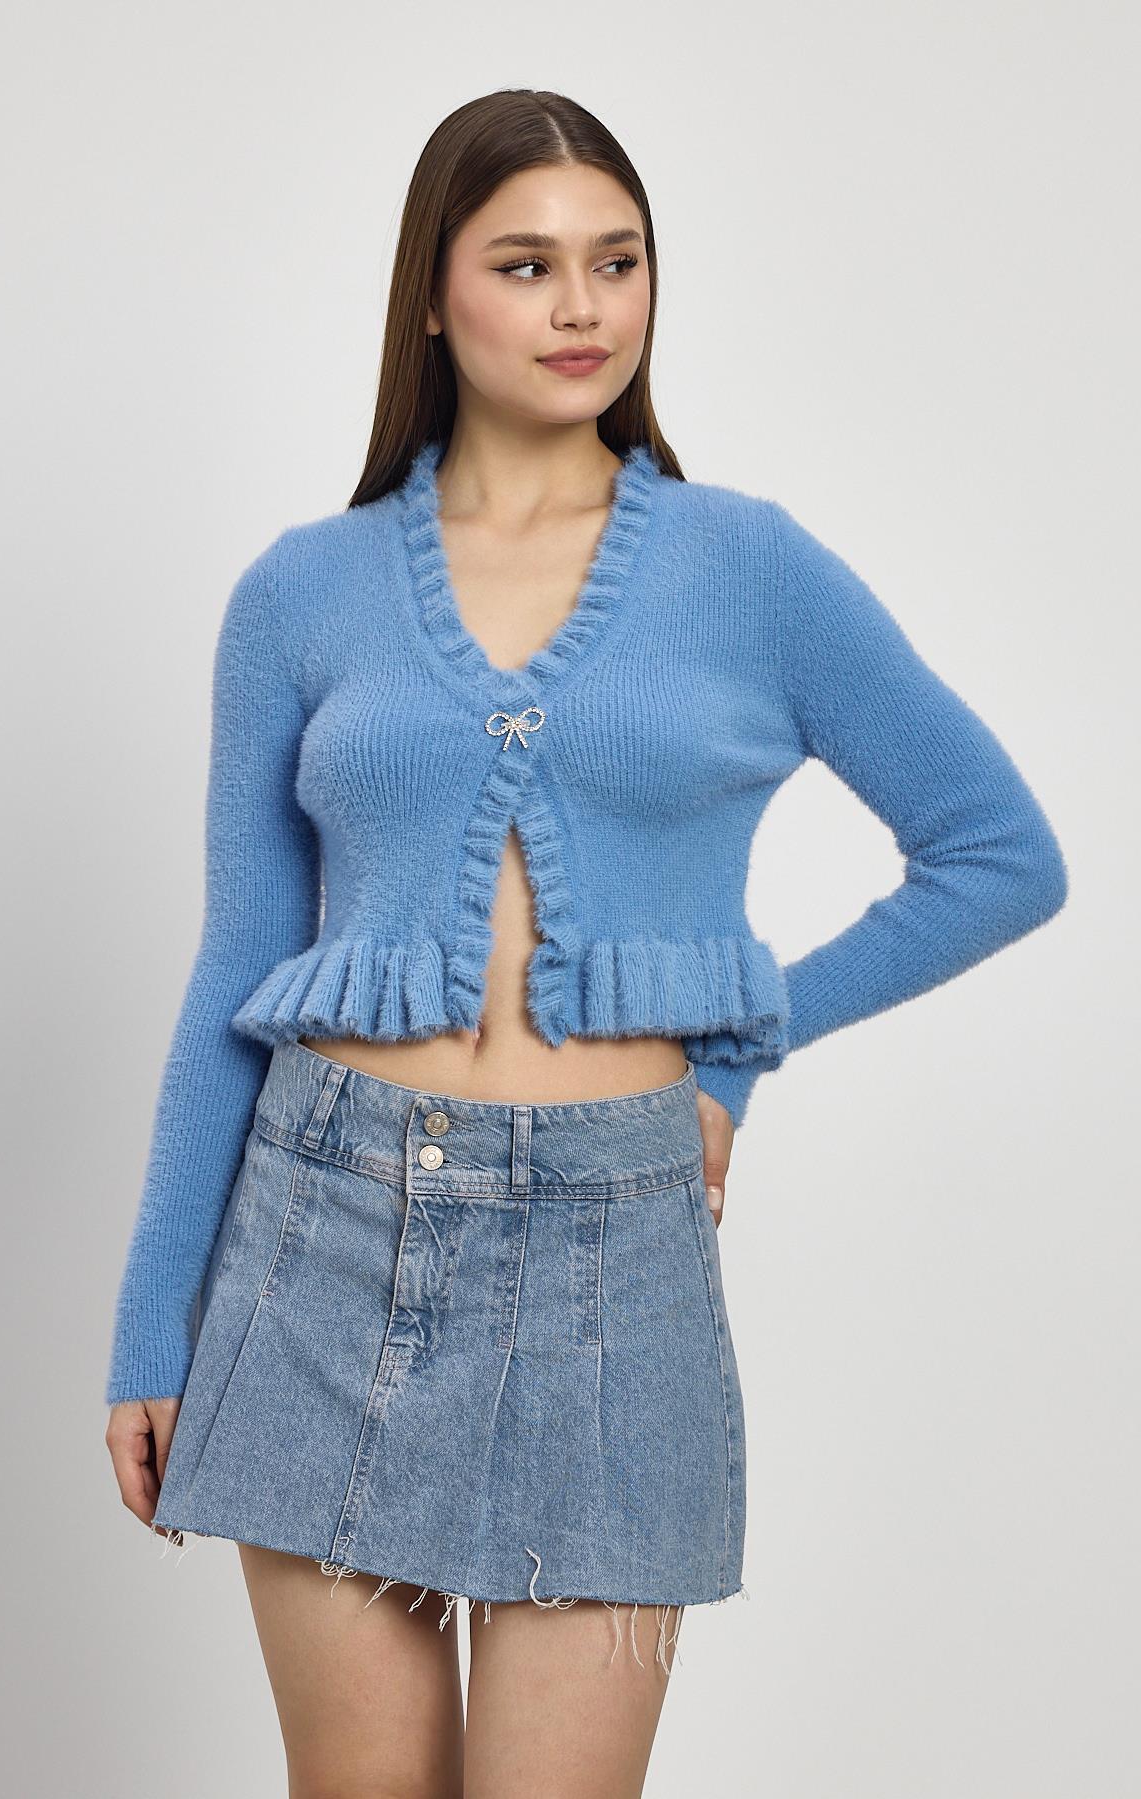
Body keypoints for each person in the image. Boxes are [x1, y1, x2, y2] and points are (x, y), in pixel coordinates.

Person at [103, 88, 1068, 1799]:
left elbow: (998, 854)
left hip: (616, 1259)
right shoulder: (300, 594)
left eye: (617, 263)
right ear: (431, 295)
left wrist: (738, 1051)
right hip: (320, 1235)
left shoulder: (751, 570)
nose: (582, 308)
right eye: (527, 264)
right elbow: (232, 969)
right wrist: (150, 1331)